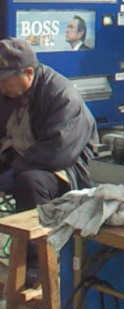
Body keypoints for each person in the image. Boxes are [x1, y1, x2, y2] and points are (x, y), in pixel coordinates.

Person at [0, 37, 98, 217]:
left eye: (4, 80)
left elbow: (56, 153)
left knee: (30, 182)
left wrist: (12, 173)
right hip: (20, 160)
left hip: (65, 169)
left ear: (28, 73)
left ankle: (36, 235)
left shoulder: (62, 96)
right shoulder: (7, 93)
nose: (1, 86)